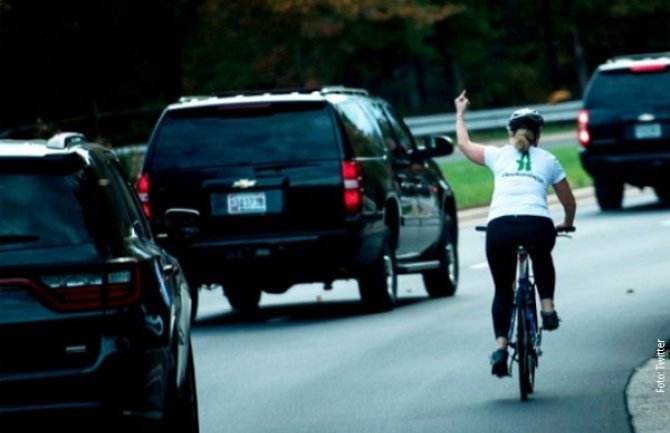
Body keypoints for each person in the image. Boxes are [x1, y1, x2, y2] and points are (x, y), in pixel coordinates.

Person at [454, 90, 576, 378]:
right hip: (538, 225)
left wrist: (460, 113)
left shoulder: (497, 155)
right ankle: (547, 307)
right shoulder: (548, 159)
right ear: (539, 135)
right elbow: (568, 201)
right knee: (542, 255)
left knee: (502, 289)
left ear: (511, 133)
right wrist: (566, 222)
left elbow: (463, 144)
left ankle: (500, 347)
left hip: (500, 228)